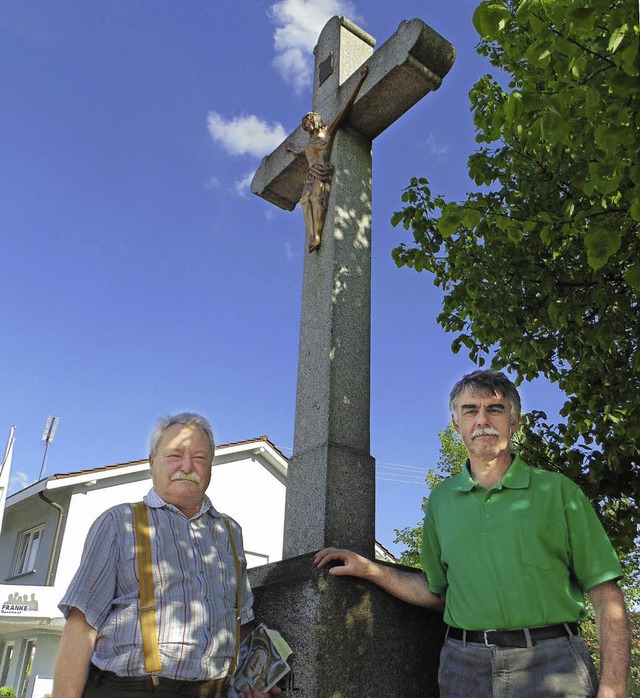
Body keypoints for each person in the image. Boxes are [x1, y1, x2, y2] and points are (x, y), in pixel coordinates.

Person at [315, 370, 631, 697]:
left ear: (515, 421)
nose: (482, 419)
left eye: (495, 409)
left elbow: (606, 594)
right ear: (456, 425)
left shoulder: (560, 493)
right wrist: (371, 570)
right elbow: (438, 593)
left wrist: (614, 686)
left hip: (553, 665)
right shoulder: (441, 500)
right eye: (470, 410)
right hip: (463, 667)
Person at [52, 412, 281, 698]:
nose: (187, 466)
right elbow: (81, 625)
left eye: (199, 457)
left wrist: (255, 681)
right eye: (174, 455)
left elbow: (241, 623)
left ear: (210, 466)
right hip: (130, 690)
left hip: (216, 692)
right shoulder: (119, 522)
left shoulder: (230, 532)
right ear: (151, 462)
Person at [286, 65, 368, 253]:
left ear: (316, 121)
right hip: (311, 173)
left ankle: (317, 236)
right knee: (304, 201)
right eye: (305, 126)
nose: (308, 127)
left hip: (322, 171)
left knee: (317, 199)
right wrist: (291, 149)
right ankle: (313, 233)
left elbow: (344, 110)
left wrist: (360, 81)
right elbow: (301, 151)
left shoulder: (327, 132)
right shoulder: (309, 143)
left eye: (309, 123)